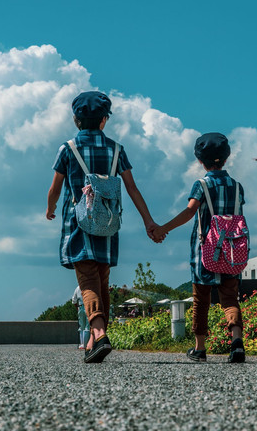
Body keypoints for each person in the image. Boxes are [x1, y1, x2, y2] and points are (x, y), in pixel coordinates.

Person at [46, 91, 163, 364]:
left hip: (78, 223)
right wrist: (149, 221)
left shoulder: (67, 148)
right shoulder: (116, 149)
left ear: (76, 119)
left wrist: (50, 208)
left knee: (87, 280)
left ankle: (98, 334)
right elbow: (132, 188)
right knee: (102, 279)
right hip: (108, 223)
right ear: (104, 120)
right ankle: (93, 344)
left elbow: (55, 187)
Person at [154, 132, 246, 364]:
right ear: (226, 158)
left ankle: (200, 348)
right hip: (233, 252)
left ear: (200, 160)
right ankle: (236, 342)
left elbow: (189, 211)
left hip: (204, 251)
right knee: (230, 298)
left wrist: (164, 228)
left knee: (201, 299)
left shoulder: (202, 185)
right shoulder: (237, 186)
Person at [71, 285, 89, 350]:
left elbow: (74, 301)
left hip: (80, 307)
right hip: (87, 306)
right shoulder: (89, 286)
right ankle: (86, 344)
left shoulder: (77, 288)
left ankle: (81, 344)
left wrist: (77, 308)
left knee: (81, 327)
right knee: (87, 326)